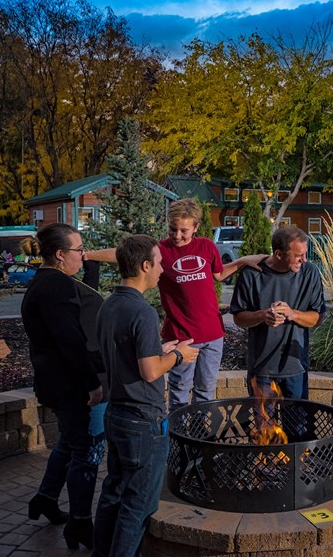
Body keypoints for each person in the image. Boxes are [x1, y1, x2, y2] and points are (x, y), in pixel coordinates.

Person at [85, 197, 266, 412]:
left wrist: (242, 261)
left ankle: (200, 437)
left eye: (184, 231)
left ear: (196, 227)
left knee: (205, 391)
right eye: (173, 229)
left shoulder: (206, 246)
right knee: (179, 391)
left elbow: (219, 274)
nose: (177, 235)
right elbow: (123, 254)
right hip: (182, 336)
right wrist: (88, 255)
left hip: (213, 334)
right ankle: (178, 438)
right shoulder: (160, 250)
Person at [92, 235, 199, 557]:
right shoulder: (143, 311)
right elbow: (150, 371)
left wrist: (160, 349)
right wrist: (179, 356)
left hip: (117, 415)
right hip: (143, 421)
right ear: (144, 265)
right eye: (160, 262)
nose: (163, 269)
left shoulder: (109, 304)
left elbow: (127, 354)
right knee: (138, 504)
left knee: (114, 492)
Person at [21, 223, 107, 550]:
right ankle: (81, 524)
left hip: (58, 381)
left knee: (70, 444)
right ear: (60, 255)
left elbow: (86, 302)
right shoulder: (55, 288)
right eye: (78, 250)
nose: (82, 254)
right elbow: (69, 339)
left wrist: (92, 262)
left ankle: (44, 498)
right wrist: (92, 384)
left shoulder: (53, 282)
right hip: (68, 385)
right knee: (85, 452)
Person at [230, 226, 324, 398]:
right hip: (261, 369)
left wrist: (292, 314)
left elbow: (317, 318)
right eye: (298, 256)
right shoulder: (252, 274)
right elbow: (238, 318)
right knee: (264, 425)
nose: (304, 260)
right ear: (279, 254)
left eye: (305, 254)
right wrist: (262, 315)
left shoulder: (310, 273)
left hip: (296, 367)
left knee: (297, 425)